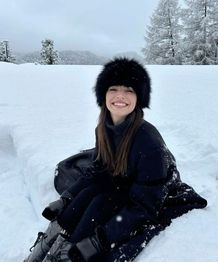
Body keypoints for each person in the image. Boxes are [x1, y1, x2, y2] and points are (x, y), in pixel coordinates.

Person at [24, 58, 207, 262]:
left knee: (97, 206)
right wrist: (66, 198)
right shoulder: (103, 128)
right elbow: (97, 169)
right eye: (114, 89)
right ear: (104, 95)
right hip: (122, 184)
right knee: (83, 198)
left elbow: (145, 207)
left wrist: (100, 240)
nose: (121, 96)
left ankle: (66, 255)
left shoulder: (150, 144)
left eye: (129, 90)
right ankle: (49, 246)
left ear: (139, 98)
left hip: (149, 195)